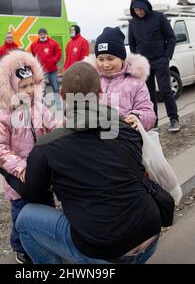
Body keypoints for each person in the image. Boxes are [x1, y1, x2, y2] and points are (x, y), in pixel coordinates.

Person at [15, 62, 162, 264]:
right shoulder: (125, 128)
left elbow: (32, 193)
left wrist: (8, 172)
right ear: (100, 91)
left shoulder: (47, 147)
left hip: (108, 252)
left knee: (25, 219)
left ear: (63, 95)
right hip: (150, 235)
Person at [0, 50, 57, 264]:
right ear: (10, 89)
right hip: (21, 179)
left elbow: (54, 129)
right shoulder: (1, 117)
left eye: (31, 85)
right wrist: (21, 168)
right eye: (22, 86)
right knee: (21, 214)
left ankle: (46, 242)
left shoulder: (40, 108)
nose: (29, 91)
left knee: (46, 209)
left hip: (44, 175)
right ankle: (20, 247)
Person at [84, 26, 156, 131]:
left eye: (110, 59)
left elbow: (148, 113)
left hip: (124, 138)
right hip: (95, 139)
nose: (105, 64)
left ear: (121, 58)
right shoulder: (91, 79)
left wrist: (138, 118)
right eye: (101, 59)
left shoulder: (135, 83)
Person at [128, 0, 180, 132]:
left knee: (165, 91)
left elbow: (171, 38)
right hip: (144, 65)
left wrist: (166, 57)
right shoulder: (132, 23)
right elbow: (132, 45)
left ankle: (174, 119)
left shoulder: (159, 17)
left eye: (140, 9)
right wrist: (137, 60)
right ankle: (153, 121)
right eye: (135, 10)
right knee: (148, 94)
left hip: (160, 61)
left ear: (146, 6)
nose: (138, 12)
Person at [30, 28, 63, 110]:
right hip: (41, 71)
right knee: (42, 90)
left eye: (44, 34)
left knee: (55, 87)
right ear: (39, 35)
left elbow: (58, 53)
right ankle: (43, 107)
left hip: (52, 70)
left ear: (46, 34)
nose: (42, 35)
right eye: (40, 34)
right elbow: (33, 56)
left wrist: (53, 61)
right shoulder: (34, 45)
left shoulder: (53, 43)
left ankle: (58, 105)